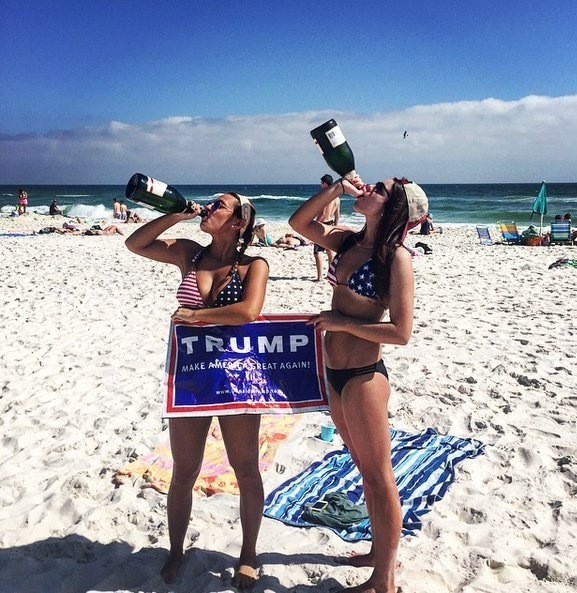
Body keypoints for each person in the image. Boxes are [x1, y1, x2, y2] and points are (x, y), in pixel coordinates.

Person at [289, 175, 428, 593]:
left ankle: (383, 581)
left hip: (364, 377)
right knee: (364, 470)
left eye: (379, 190)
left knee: (379, 477)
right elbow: (299, 223)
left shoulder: (395, 259)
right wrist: (336, 189)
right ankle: (377, 552)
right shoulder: (348, 242)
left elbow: (401, 332)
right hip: (335, 373)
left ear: (393, 208)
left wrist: (342, 323)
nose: (368, 189)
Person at [125, 193, 268, 587]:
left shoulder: (254, 265)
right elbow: (135, 244)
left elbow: (249, 311)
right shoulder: (190, 254)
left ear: (238, 222)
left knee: (246, 469)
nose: (209, 207)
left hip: (238, 377)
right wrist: (175, 215)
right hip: (192, 375)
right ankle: (176, 550)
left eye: (219, 205)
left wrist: (194, 315)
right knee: (184, 470)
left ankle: (248, 553)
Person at [313, 175, 340, 281]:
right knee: (329, 251)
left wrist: (314, 224)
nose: (320, 185)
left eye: (321, 183)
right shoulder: (336, 198)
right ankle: (330, 274)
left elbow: (323, 213)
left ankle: (319, 276)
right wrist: (335, 227)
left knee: (317, 252)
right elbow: (337, 215)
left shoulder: (325, 196)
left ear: (325, 183)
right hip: (331, 224)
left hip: (322, 224)